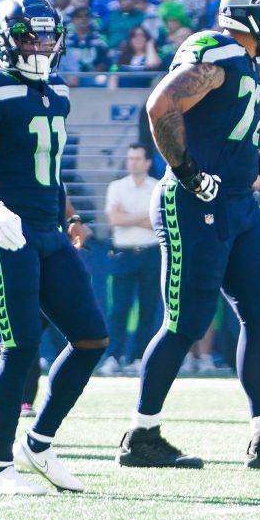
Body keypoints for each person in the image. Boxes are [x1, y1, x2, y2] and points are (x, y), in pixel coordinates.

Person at [114, 0, 260, 471]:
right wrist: (186, 173)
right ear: (255, 11)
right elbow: (161, 105)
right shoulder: (218, 48)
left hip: (235, 205)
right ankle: (140, 435)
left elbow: (226, 143)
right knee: (185, 323)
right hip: (193, 203)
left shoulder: (248, 63)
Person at [0, 0, 110, 495]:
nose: (41, 44)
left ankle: (38, 444)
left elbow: (49, 167)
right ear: (5, 39)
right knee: (20, 348)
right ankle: (0, 468)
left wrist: (71, 215)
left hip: (48, 230)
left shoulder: (56, 91)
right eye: (30, 35)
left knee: (91, 339)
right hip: (7, 232)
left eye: (47, 35)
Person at [99, 145, 161, 376]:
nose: (132, 162)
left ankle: (137, 356)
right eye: (130, 158)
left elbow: (158, 221)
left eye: (137, 159)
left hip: (151, 253)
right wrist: (142, 217)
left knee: (147, 308)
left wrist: (128, 217)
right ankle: (114, 356)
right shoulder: (116, 187)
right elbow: (114, 219)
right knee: (119, 308)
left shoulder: (156, 187)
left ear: (147, 162)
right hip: (124, 254)